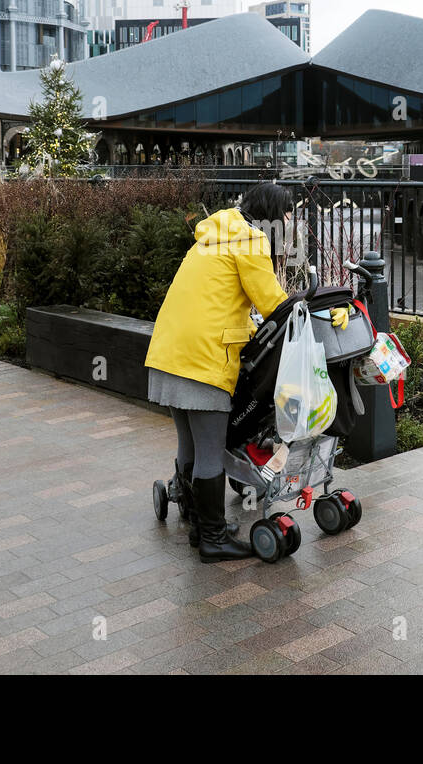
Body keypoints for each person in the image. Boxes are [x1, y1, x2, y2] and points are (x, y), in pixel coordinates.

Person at [144, 183, 345, 563]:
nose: (289, 221)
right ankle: (214, 541)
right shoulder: (251, 240)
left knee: (189, 445)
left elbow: (217, 302)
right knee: (209, 452)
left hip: (169, 352)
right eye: (287, 214)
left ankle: (202, 526)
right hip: (202, 360)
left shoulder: (217, 232)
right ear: (271, 213)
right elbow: (274, 305)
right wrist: (319, 308)